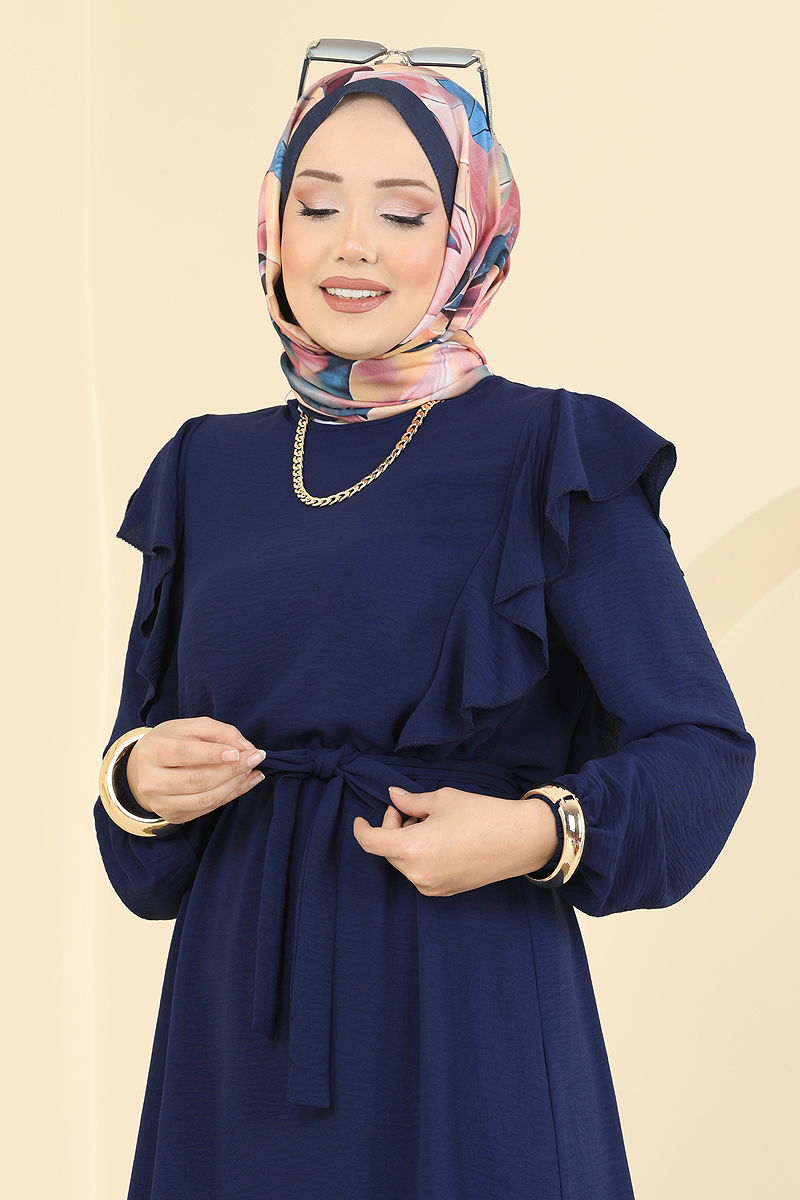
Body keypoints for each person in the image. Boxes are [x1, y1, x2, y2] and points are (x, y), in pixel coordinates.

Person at [94, 57, 756, 1200]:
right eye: (316, 207)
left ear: (468, 238)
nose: (350, 246)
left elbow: (703, 752)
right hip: (229, 1039)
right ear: (272, 226)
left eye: (402, 214)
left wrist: (533, 832)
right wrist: (141, 780)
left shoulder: (554, 453)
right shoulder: (204, 467)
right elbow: (137, 847)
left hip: (461, 1014)